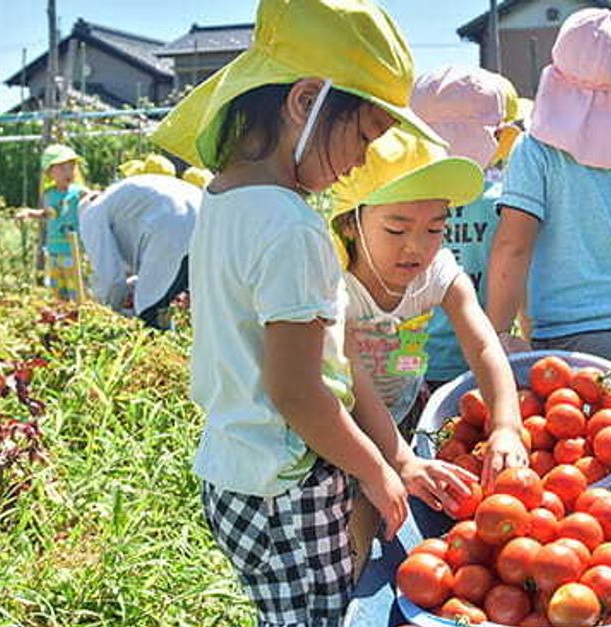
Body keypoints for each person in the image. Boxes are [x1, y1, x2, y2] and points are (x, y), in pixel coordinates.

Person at [149, 1, 471, 624]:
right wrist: (378, 472)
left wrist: (398, 457)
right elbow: (298, 391)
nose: (360, 163)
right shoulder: (292, 226)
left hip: (236, 472)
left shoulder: (223, 198)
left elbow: (325, 361)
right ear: (305, 102)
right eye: (364, 136)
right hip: (288, 486)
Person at [329, 127, 528, 575]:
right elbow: (355, 379)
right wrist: (397, 459)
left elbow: (482, 345)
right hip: (342, 423)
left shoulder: (436, 271)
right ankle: (355, 585)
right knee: (358, 513)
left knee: (396, 515)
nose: (416, 246)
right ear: (351, 222)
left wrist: (506, 426)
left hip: (402, 408)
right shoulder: (335, 284)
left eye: (435, 228)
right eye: (396, 228)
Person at [486, 8, 611, 359]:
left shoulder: (536, 152)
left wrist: (494, 338)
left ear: (557, 77)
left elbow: (513, 248)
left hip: (571, 341)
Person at [408, 65, 516, 388]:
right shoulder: (504, 201)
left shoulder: (401, 201)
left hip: (413, 366)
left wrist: (406, 369)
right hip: (482, 358)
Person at [77, 173, 199, 329]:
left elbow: (111, 280)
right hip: (205, 221)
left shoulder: (91, 214)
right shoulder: (117, 198)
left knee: (149, 314)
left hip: (173, 231)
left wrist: (105, 313)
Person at [16, 144, 92, 302]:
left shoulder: (79, 192)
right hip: (54, 250)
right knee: (58, 289)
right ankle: (62, 316)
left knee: (77, 288)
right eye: (62, 168)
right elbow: (47, 214)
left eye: (71, 168)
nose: (68, 172)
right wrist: (30, 213)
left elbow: (94, 200)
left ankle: (81, 314)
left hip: (73, 250)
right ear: (50, 172)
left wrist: (96, 196)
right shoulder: (49, 195)